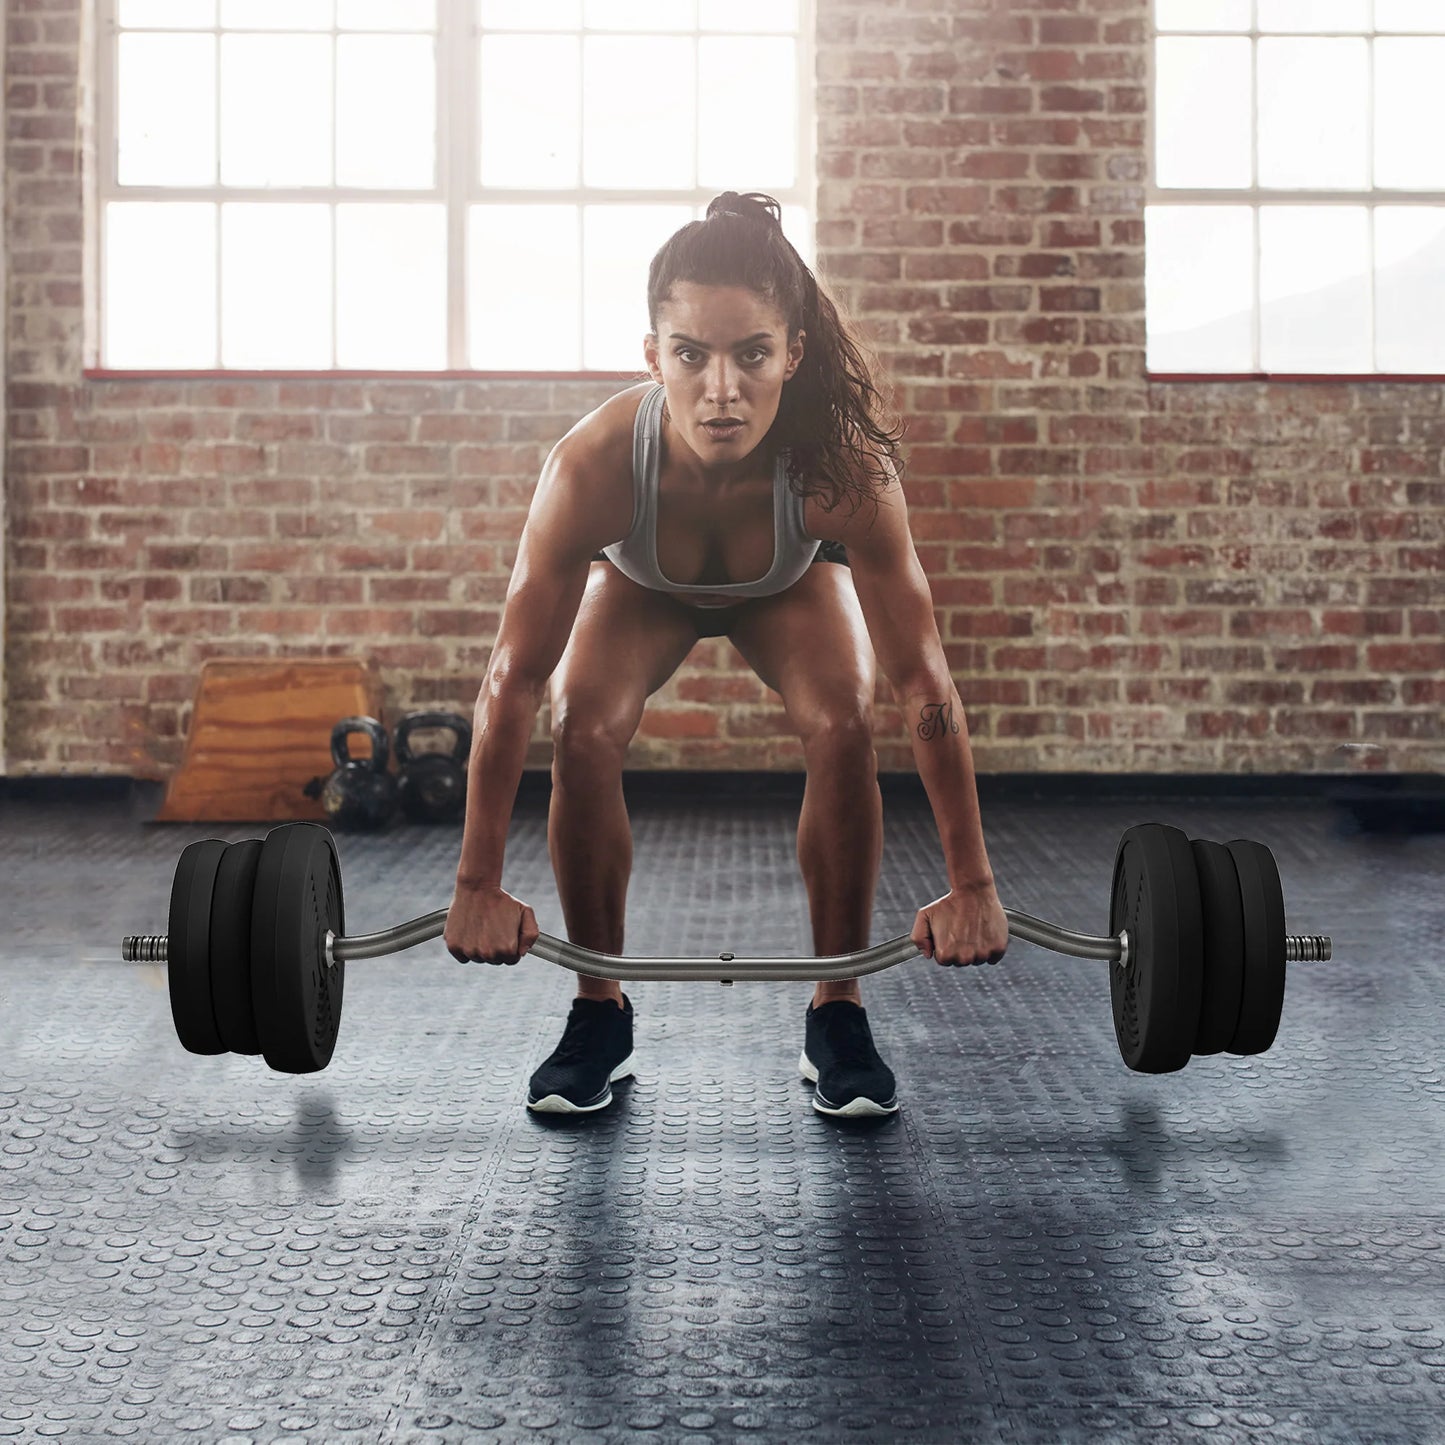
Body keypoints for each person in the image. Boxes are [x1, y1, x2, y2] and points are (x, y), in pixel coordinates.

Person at [444, 191, 1010, 1118]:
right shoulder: (589, 468)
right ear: (651, 356)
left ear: (791, 351)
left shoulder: (843, 474)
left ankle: (838, 1009)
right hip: (643, 587)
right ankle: (598, 1009)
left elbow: (923, 683)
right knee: (580, 724)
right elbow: (511, 682)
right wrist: (474, 883)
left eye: (751, 355)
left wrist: (973, 885)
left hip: (787, 585)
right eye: (690, 356)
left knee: (841, 722)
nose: (721, 390)